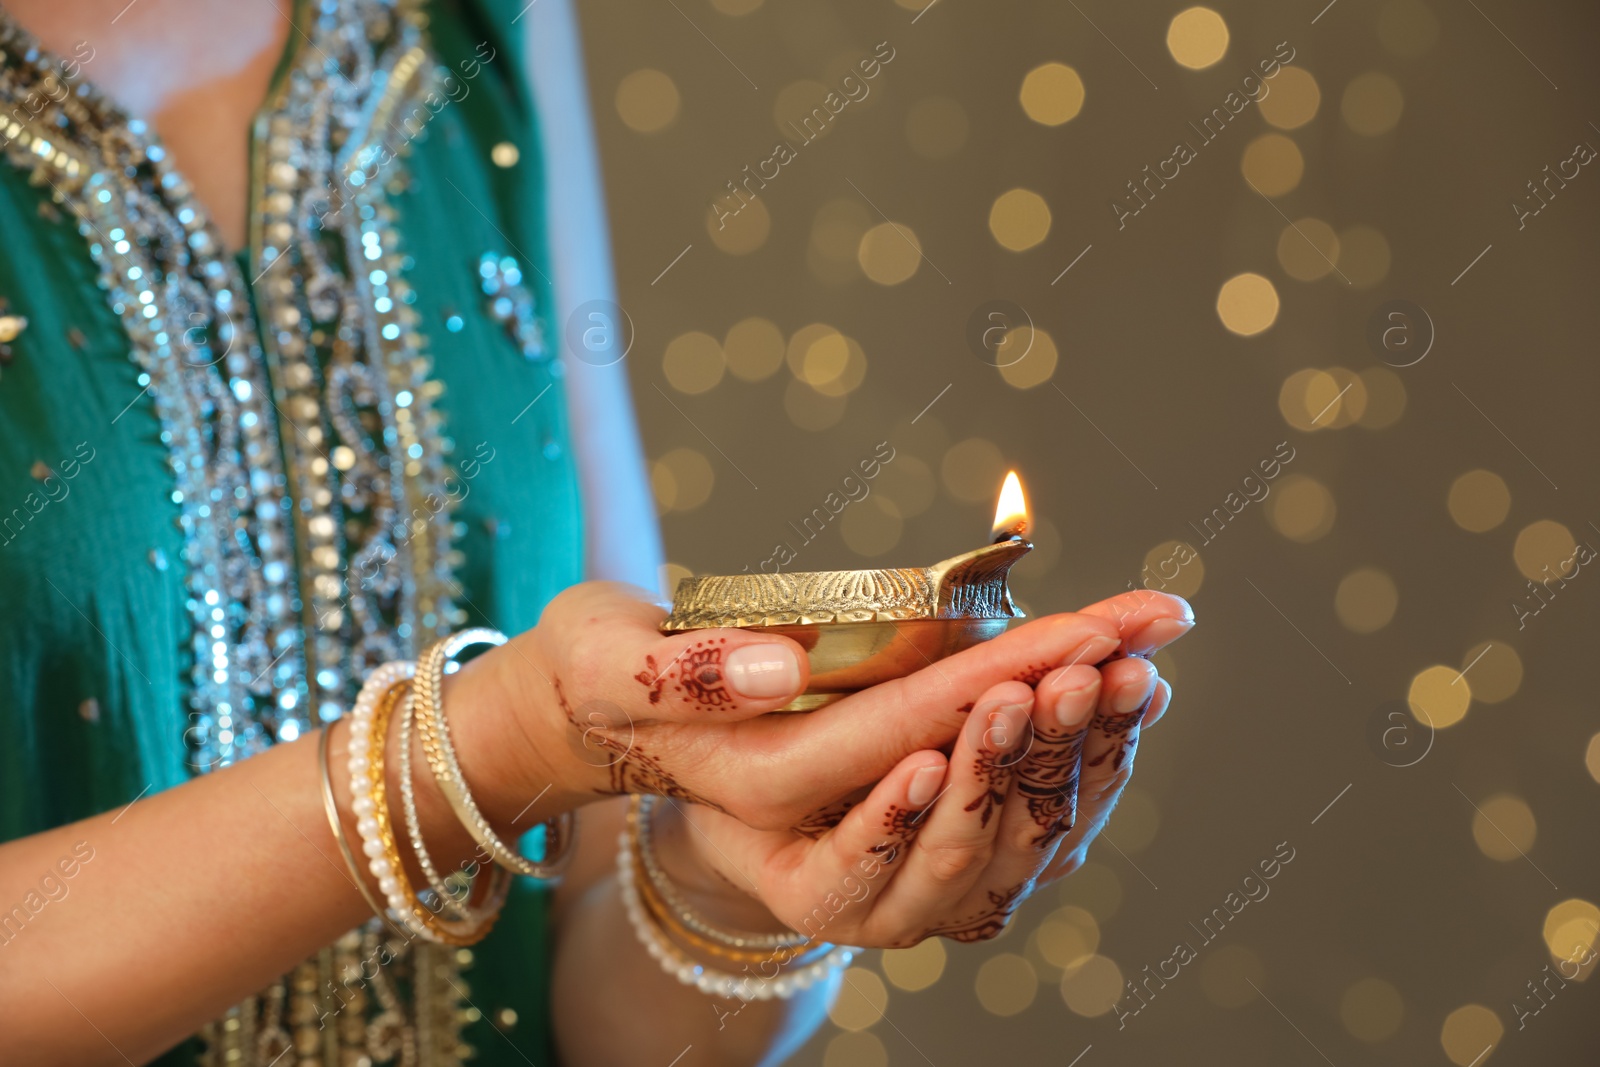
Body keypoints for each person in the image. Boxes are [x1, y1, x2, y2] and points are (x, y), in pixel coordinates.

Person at [0, 0, 1193, 1063]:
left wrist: (737, 880)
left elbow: (609, 999)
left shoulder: (482, 26)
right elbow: (550, 720)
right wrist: (495, 741)